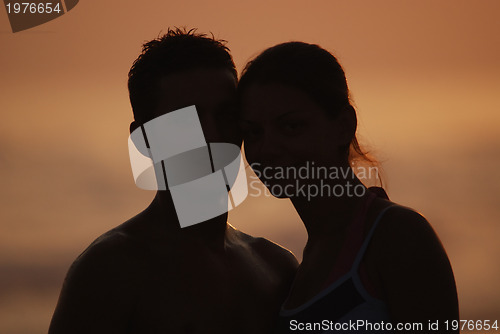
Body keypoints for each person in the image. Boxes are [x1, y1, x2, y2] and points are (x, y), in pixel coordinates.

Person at [48, 28, 298, 334]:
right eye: (186, 119)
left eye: (225, 114)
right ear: (144, 139)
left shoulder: (277, 267)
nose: (212, 136)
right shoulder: (111, 271)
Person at [238, 42, 459, 333]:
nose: (267, 149)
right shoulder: (295, 270)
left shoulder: (398, 236)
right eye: (254, 133)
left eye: (291, 127)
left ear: (343, 127)